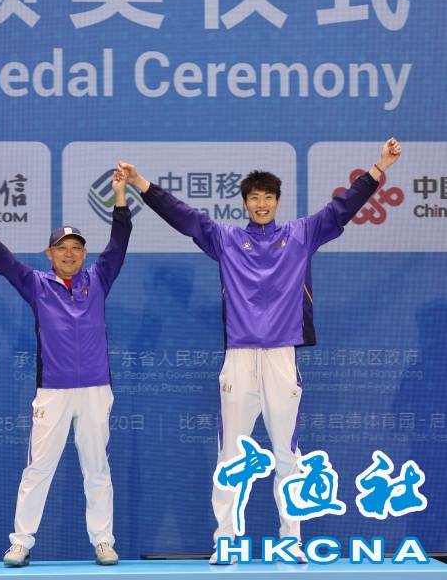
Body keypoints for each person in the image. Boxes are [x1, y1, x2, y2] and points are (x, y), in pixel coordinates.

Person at [118, 139, 401, 563]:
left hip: (282, 356)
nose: (262, 203)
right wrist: (140, 181)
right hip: (239, 355)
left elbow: (342, 208)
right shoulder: (226, 239)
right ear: (245, 203)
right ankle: (226, 540)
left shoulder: (301, 234)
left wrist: (379, 167)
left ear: (277, 201)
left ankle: (292, 540)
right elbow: (184, 217)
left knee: (288, 453)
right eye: (255, 197)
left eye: (268, 197)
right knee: (232, 454)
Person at [0, 167, 132, 568]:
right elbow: (4, 262)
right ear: (49, 254)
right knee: (38, 469)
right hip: (52, 390)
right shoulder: (35, 283)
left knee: (97, 469)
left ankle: (104, 541)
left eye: (76, 248)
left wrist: (120, 199)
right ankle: (21, 542)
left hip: (96, 389)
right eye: (61, 248)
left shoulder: (98, 280)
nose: (69, 253)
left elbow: (119, 244)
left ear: (84, 253)